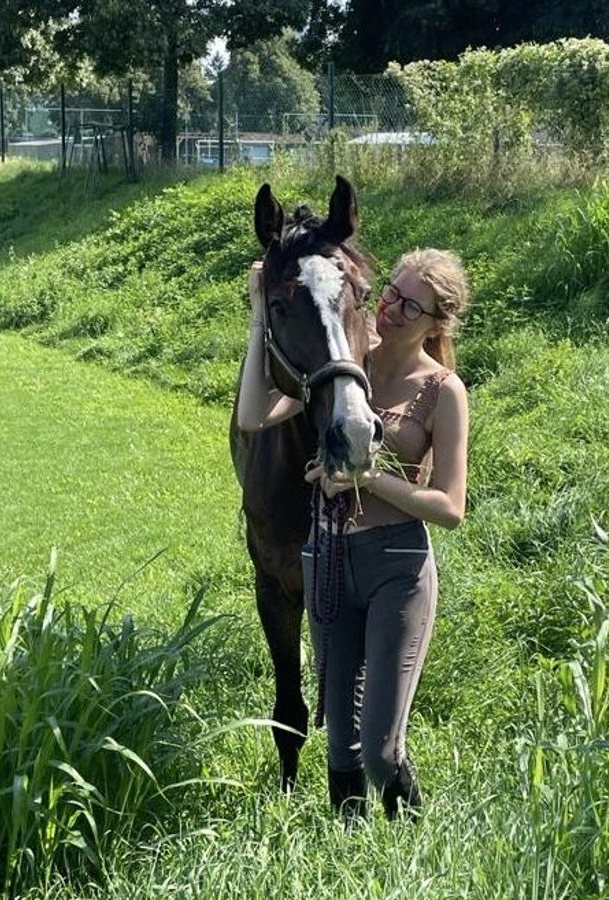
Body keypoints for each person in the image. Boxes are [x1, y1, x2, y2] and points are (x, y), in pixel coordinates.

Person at [236, 248, 471, 820]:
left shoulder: (442, 390)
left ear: (435, 324)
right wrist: (258, 313)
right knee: (340, 749)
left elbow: (450, 508)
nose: (390, 308)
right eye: (390, 292)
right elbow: (252, 416)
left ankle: (416, 838)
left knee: (380, 753)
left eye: (410, 305)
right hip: (333, 560)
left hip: (396, 563)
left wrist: (368, 477)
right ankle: (351, 854)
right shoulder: (345, 364)